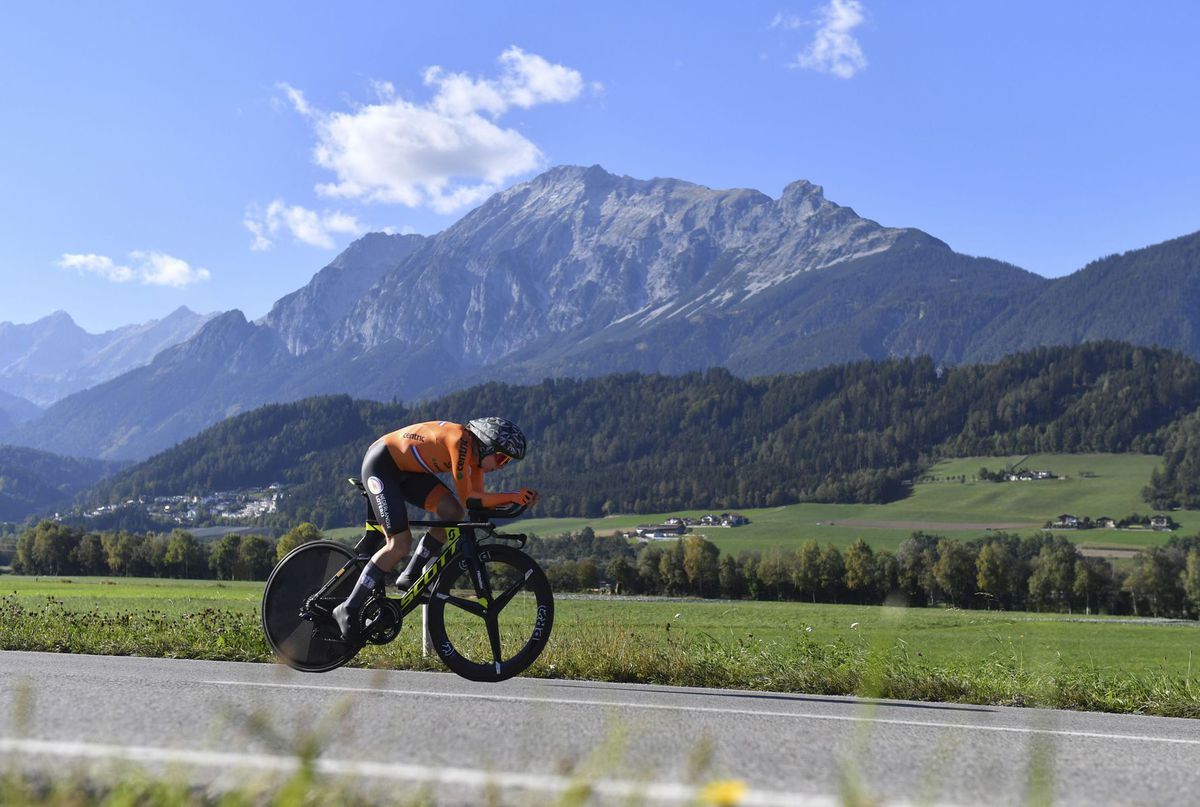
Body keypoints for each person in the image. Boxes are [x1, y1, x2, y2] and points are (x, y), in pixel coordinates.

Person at [333, 417, 537, 640]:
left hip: (407, 471)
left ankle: (410, 575)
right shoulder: (460, 441)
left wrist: (516, 501)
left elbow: (479, 501)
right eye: (501, 457)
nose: (500, 466)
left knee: (453, 513)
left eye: (506, 462)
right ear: (486, 445)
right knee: (399, 543)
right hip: (382, 464)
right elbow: (470, 498)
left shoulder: (476, 460)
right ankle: (348, 608)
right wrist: (512, 496)